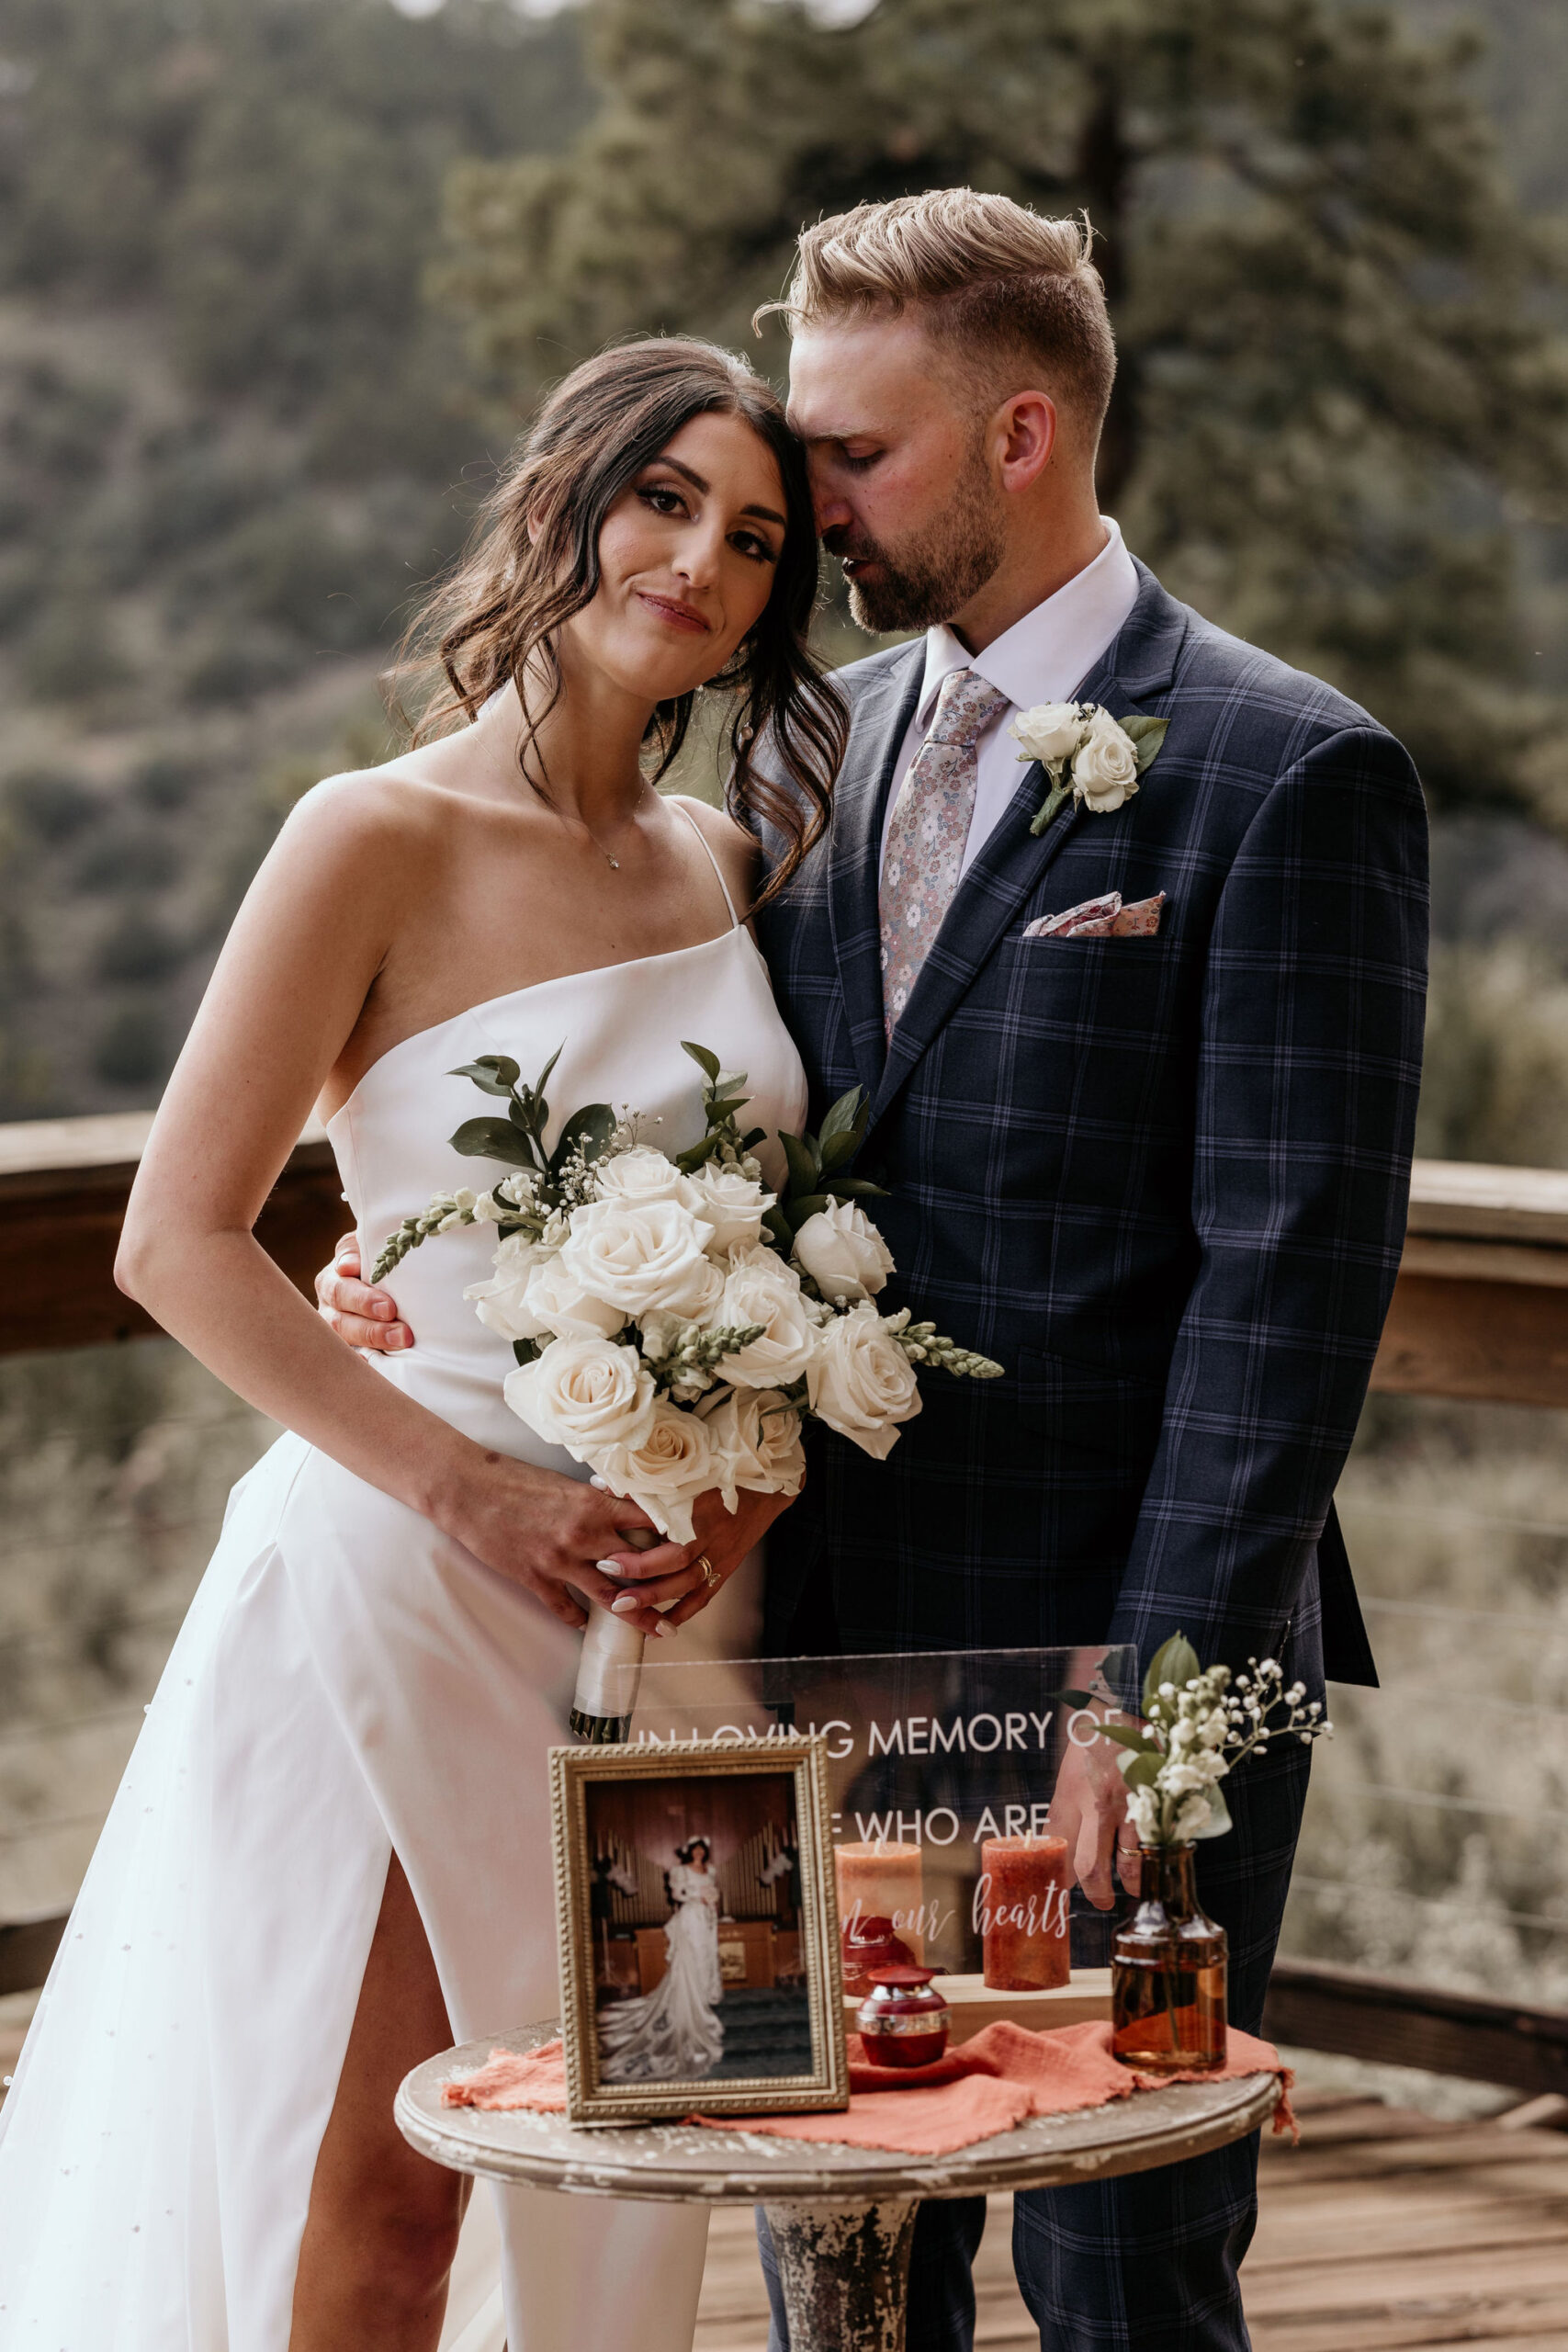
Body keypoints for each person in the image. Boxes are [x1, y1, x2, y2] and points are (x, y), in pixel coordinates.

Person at [323, 190, 1428, 2352]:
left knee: (1118, 2253)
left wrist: (1156, 1682)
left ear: (1021, 433)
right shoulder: (807, 738)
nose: (801, 500)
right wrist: (441, 1246)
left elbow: (1284, 1279)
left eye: (853, 452)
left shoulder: (1285, 769)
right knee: (831, 2242)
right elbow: (711, 1100)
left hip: (1129, 1655)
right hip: (816, 1646)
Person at [0, 338, 846, 2352]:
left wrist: (741, 1467)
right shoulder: (363, 835)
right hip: (412, 1570)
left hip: (675, 1622)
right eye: (663, 499)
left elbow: (786, 1239)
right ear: (561, 494)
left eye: (754, 538)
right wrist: (474, 1484)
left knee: (631, 2171)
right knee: (385, 2190)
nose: (702, 564)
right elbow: (175, 1239)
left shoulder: (730, 861)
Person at [598, 1838, 725, 2083]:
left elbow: (714, 1892)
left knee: (707, 1957)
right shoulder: (680, 1871)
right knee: (693, 1958)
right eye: (695, 1848)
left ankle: (704, 1996)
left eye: (702, 1848)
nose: (699, 1852)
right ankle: (693, 1999)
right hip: (689, 1918)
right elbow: (677, 1894)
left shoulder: (710, 1870)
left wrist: (712, 1904)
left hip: (707, 1919)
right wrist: (698, 1896)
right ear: (690, 1851)